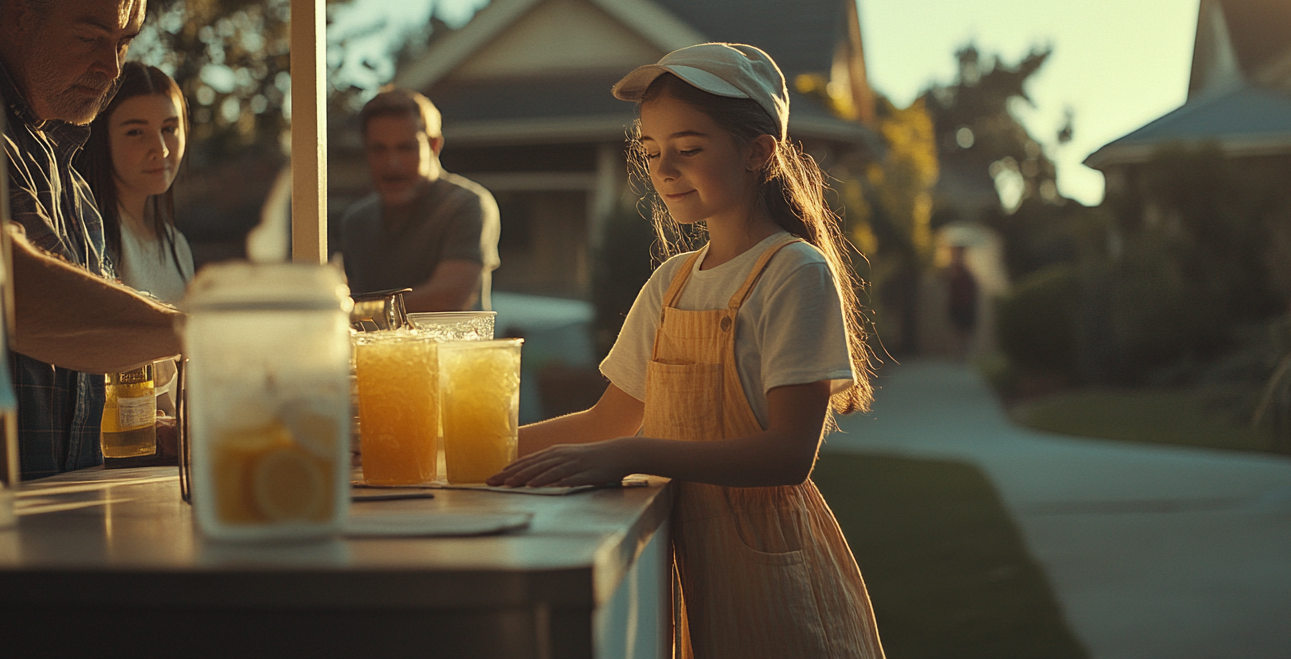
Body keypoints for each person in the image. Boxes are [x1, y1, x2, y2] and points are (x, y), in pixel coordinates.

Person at [490, 43, 885, 657]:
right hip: (680, 562)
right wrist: (450, 449)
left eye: (689, 148)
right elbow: (606, 421)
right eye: (651, 152)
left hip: (772, 574)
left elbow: (789, 455)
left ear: (760, 153)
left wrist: (631, 454)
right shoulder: (670, 283)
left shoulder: (794, 272)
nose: (665, 169)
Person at [0, 0, 179, 479]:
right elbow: (14, 293)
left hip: (52, 531)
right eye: (92, 38)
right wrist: (205, 329)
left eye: (124, 41)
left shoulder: (72, 183)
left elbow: (78, 367)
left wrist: (161, 436)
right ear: (18, 17)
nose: (112, 66)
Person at [74, 61, 194, 416]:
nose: (161, 148)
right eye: (135, 132)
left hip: (176, 446)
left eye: (170, 128)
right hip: (124, 445)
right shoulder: (91, 233)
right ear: (102, 136)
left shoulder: (177, 246)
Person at [340, 88, 500, 312]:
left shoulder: (465, 204)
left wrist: (352, 311)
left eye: (405, 148)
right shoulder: (357, 221)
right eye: (379, 149)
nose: (392, 163)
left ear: (434, 146)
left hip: (448, 348)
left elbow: (449, 298)